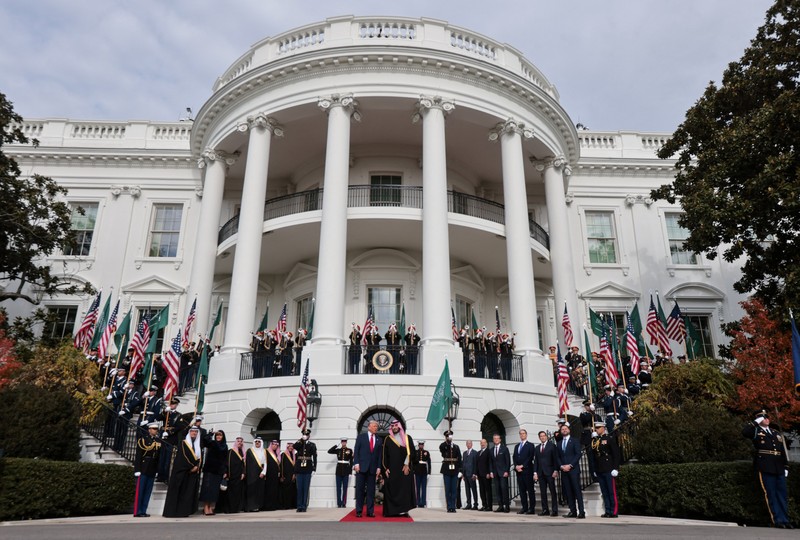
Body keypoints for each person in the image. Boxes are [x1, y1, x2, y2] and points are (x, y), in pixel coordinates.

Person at [742, 410, 792, 529]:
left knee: (782, 494)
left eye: (767, 417)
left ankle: (785, 520)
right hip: (765, 466)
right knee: (771, 494)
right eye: (763, 417)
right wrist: (755, 423)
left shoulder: (776, 433)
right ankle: (777, 520)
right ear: (758, 420)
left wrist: (785, 466)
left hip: (778, 467)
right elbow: (744, 432)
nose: (766, 419)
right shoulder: (756, 431)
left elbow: (782, 451)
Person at [162, 425, 202, 517]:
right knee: (178, 491)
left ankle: (184, 512)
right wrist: (192, 466)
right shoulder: (183, 443)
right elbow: (183, 457)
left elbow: (199, 458)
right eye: (192, 431)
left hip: (192, 473)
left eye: (196, 432)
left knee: (187, 493)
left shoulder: (197, 445)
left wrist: (197, 467)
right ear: (189, 432)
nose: (194, 433)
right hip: (181, 472)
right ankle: (174, 512)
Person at [382, 419, 417, 517]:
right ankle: (392, 512)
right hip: (392, 470)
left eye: (396, 426)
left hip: (404, 469)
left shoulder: (407, 438)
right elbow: (384, 455)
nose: (394, 428)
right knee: (392, 489)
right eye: (392, 426)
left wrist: (407, 465)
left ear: (399, 427)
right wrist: (385, 468)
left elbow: (411, 453)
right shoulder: (387, 439)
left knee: (404, 490)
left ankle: (404, 511)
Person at [590, 422, 621, 518]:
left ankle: (614, 511)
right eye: (596, 428)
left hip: (608, 468)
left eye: (598, 428)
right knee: (604, 492)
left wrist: (615, 468)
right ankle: (608, 510)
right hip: (600, 468)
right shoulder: (595, 440)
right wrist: (595, 469)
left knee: (611, 491)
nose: (597, 429)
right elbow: (594, 455)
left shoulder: (609, 439)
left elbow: (616, 454)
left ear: (603, 428)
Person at [353, 420, 382, 518]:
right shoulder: (361, 437)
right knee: (360, 490)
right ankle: (359, 511)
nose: (376, 428)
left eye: (377, 427)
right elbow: (356, 451)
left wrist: (378, 467)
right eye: (374, 426)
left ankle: (370, 511)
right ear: (369, 427)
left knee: (371, 491)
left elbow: (379, 455)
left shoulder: (379, 439)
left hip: (372, 469)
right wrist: (356, 463)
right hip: (361, 468)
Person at [133, 422, 161, 517]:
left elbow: (158, 457)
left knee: (148, 491)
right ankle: (137, 511)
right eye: (153, 429)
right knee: (140, 490)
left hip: (152, 468)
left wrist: (157, 470)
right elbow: (138, 456)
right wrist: (137, 469)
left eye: (156, 429)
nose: (155, 430)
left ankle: (143, 510)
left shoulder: (158, 441)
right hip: (143, 467)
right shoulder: (143, 440)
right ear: (149, 429)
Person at [557, 423, 585, 518]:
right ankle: (573, 511)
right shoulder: (559, 443)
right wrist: (561, 466)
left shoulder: (575, 441)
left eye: (565, 429)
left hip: (573, 470)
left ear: (569, 430)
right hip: (564, 471)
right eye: (562, 429)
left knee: (577, 491)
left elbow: (578, 454)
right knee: (568, 491)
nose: (564, 430)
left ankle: (581, 512)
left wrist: (570, 465)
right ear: (561, 432)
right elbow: (558, 457)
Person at [199, 430, 228, 516]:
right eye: (217, 435)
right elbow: (205, 439)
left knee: (214, 490)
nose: (218, 437)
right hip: (209, 470)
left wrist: (225, 471)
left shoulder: (224, 446)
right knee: (207, 489)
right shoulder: (212, 443)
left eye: (220, 435)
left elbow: (225, 459)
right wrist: (211, 433)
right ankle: (205, 508)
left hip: (218, 471)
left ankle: (210, 507)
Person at [534, 430, 560, 517]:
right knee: (543, 492)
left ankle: (554, 510)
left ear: (546, 437)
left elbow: (555, 459)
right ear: (539, 438)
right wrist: (535, 473)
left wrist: (556, 470)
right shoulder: (537, 448)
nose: (542, 437)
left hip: (550, 472)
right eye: (541, 436)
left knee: (553, 492)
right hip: (540, 473)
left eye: (544, 436)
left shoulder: (552, 446)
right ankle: (545, 510)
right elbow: (536, 461)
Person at [219, 436, 246, 514]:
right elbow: (226, 463)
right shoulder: (231, 451)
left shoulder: (243, 452)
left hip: (239, 476)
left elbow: (244, 464)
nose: (240, 443)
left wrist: (243, 473)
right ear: (235, 442)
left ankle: (235, 508)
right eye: (238, 441)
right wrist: (226, 473)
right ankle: (229, 509)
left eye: (241, 441)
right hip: (231, 475)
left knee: (237, 493)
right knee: (230, 493)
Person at [513, 428, 536, 515]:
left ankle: (531, 508)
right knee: (522, 491)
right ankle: (524, 507)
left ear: (526, 435)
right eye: (520, 434)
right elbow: (514, 457)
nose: (522, 435)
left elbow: (530, 457)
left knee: (530, 491)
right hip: (519, 472)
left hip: (527, 471)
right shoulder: (517, 446)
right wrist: (516, 466)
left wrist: (522, 466)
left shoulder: (530, 445)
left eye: (523, 434)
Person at [438, 430, 462, 513]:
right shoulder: (443, 446)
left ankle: (453, 506)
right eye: (448, 436)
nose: (449, 437)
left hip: (454, 469)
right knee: (448, 489)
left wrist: (460, 470)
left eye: (450, 436)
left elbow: (459, 458)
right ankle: (449, 507)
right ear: (445, 437)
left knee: (454, 489)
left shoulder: (456, 447)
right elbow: (442, 452)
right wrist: (447, 444)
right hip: (446, 470)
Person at [294, 429, 317, 512]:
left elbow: (314, 456)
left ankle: (304, 505)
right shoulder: (300, 443)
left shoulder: (312, 445)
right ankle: (299, 506)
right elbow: (294, 447)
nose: (305, 436)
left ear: (309, 436)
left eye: (306, 435)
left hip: (308, 468)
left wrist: (314, 468)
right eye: (304, 434)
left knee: (306, 488)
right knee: (299, 488)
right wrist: (301, 440)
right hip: (299, 468)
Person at [328, 436, 353, 508]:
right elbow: (329, 451)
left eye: (345, 441)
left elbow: (351, 461)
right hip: (338, 470)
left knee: (345, 487)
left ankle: (344, 503)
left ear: (346, 442)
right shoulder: (338, 450)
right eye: (342, 441)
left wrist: (350, 472)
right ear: (341, 442)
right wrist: (336, 445)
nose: (344, 443)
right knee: (338, 487)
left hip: (346, 470)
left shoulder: (350, 450)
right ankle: (339, 503)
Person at [245, 437, 267, 512]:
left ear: (261, 443)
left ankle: (258, 506)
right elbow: (247, 463)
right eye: (256, 441)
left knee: (259, 490)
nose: (257, 443)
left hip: (260, 474)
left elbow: (265, 463)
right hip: (251, 474)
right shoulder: (249, 451)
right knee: (251, 490)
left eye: (259, 442)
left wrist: (263, 472)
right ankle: (251, 506)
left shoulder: (264, 451)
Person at [490, 433, 510, 513]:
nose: (496, 440)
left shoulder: (504, 449)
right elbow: (490, 462)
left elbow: (508, 461)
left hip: (503, 473)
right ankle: (500, 506)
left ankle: (507, 507)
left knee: (504, 489)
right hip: (495, 473)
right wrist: (491, 471)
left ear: (500, 439)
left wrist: (507, 471)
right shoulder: (491, 450)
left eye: (497, 438)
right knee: (497, 490)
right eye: (494, 438)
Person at [263, 439, 281, 510]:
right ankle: (267, 506)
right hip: (268, 474)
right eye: (274, 444)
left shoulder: (277, 453)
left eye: (276, 445)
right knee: (268, 490)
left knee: (274, 490)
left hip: (275, 475)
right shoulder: (266, 452)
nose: (275, 446)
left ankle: (273, 505)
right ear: (271, 444)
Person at [476, 438, 493, 511]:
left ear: (486, 443)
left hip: (486, 474)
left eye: (484, 443)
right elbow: (477, 464)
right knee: (482, 491)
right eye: (481, 443)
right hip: (480, 474)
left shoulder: (489, 451)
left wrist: (489, 472)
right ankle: (484, 505)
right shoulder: (478, 452)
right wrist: (476, 474)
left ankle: (489, 506)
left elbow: (490, 463)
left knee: (488, 491)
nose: (482, 444)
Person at [461, 439, 479, 510]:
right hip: (466, 474)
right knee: (467, 490)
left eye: (469, 443)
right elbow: (463, 464)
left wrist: (474, 473)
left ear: (472, 444)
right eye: (467, 444)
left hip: (472, 474)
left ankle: (475, 504)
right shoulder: (465, 453)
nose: (468, 445)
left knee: (474, 490)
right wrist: (463, 473)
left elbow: (475, 464)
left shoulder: (475, 453)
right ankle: (469, 504)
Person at [413, 440, 431, 508]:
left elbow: (429, 463)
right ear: (418, 445)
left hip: (424, 472)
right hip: (417, 471)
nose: (421, 446)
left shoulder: (426, 452)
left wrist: (429, 472)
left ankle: (423, 502)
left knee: (423, 488)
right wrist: (414, 471)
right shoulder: (415, 452)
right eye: (420, 444)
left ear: (423, 445)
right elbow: (414, 462)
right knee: (417, 487)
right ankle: (417, 502)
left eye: (422, 445)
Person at [280, 441, 297, 509]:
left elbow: (295, 466)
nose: (291, 448)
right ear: (287, 447)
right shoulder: (283, 454)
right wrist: (282, 476)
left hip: (292, 475)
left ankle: (291, 505)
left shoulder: (294, 455)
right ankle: (285, 505)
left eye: (292, 447)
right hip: (285, 475)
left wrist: (294, 474)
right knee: (286, 491)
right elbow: (281, 466)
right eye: (289, 447)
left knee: (292, 491)